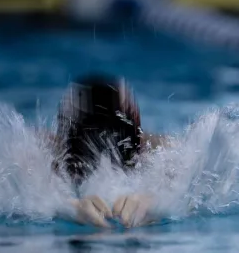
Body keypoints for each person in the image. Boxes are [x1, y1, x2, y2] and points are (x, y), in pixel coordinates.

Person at [49, 73, 167, 228]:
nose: (103, 163)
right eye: (86, 154)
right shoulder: (47, 153)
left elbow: (191, 186)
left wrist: (153, 202)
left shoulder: (157, 150)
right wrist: (66, 207)